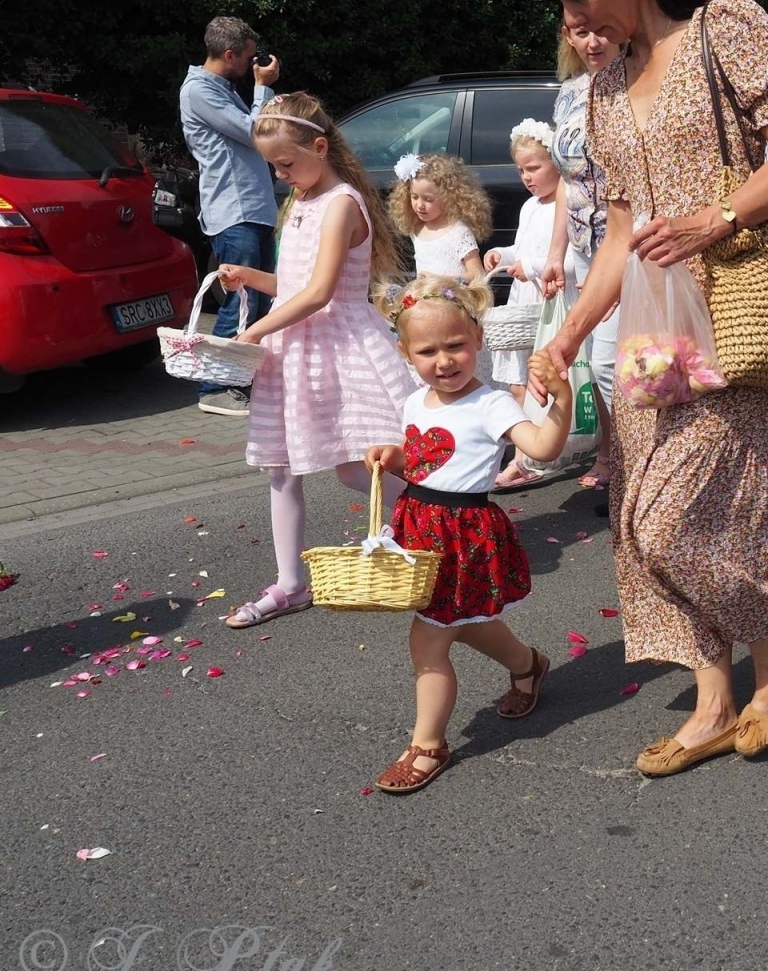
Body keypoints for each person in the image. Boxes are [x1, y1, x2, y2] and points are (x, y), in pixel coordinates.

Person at [525, 0, 768, 776]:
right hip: (649, 332)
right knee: (640, 532)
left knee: (670, 519)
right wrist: (567, 335)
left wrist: (717, 220)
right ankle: (714, 698)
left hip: (739, 312)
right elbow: (621, 233)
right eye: (558, 1)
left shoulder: (724, 20)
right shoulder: (604, 87)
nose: (572, 16)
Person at [364, 275, 575, 793]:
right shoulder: (417, 402)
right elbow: (423, 457)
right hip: (420, 527)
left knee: (428, 642)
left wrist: (562, 403)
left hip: (462, 534)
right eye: (428, 350)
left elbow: (542, 447)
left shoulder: (493, 403)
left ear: (478, 339)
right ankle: (529, 666)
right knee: (466, 620)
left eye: (456, 345)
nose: (444, 360)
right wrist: (393, 456)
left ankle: (428, 745)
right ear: (406, 353)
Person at [217, 92, 418, 629]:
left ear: (320, 146)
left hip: (338, 346)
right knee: (280, 468)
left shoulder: (342, 203)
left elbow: (322, 292)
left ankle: (431, 521)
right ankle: (290, 583)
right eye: (273, 166)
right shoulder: (303, 201)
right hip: (295, 350)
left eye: (286, 163)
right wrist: (251, 278)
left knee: (359, 467)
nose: (281, 175)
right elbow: (295, 287)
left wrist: (255, 330)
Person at [178, 15, 281, 417]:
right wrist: (261, 89)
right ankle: (213, 387)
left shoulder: (220, 87)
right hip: (233, 211)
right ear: (229, 54)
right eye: (249, 58)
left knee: (257, 301)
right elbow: (256, 132)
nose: (253, 64)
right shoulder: (199, 92)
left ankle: (241, 380)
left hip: (252, 209)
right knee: (240, 301)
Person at [549, 23, 626, 493]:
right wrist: (556, 253)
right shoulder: (569, 93)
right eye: (581, 33)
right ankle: (616, 456)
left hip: (629, 249)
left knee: (611, 365)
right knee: (595, 362)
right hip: (583, 249)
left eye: (602, 31)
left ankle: (642, 464)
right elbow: (566, 180)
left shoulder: (637, 86)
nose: (593, 42)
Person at [484, 119, 562, 431]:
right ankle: (530, 440)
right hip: (523, 301)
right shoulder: (529, 206)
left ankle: (549, 436)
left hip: (547, 298)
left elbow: (565, 257)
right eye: (521, 171)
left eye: (533, 168)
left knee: (544, 374)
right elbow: (523, 246)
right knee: (519, 378)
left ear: (556, 163)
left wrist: (528, 268)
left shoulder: (563, 206)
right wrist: (502, 254)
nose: (527, 178)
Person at [388, 153, 492, 282]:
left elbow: (477, 274)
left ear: (448, 197)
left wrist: (441, 280)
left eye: (428, 199)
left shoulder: (459, 232)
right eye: (414, 197)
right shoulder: (416, 229)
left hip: (453, 298)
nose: (420, 205)